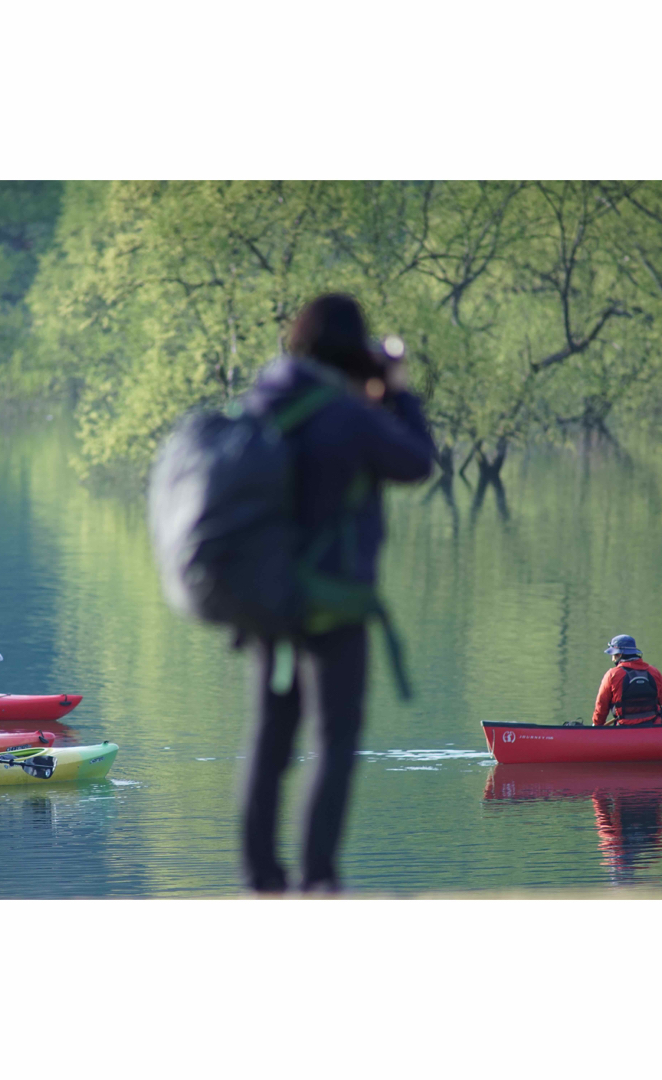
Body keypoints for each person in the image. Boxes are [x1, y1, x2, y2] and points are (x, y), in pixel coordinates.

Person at [240, 293, 436, 893]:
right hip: (333, 600)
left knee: (269, 740)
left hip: (265, 596)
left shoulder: (263, 400)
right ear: (354, 348)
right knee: (333, 738)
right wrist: (396, 391)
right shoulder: (348, 416)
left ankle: (260, 880)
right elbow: (416, 462)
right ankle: (318, 878)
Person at [592, 634, 662, 726]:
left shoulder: (612, 675)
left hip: (624, 729)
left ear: (619, 655)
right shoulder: (654, 672)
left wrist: (597, 726)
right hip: (653, 725)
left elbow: (601, 706)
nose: (612, 659)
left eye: (613, 655)